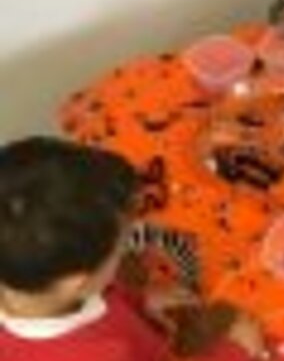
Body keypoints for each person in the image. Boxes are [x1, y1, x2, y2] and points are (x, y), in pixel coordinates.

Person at [0, 137, 266, 361]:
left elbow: (99, 293)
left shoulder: (35, 278)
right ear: (79, 282)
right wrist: (236, 350)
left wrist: (139, 302)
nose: (126, 250)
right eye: (119, 250)